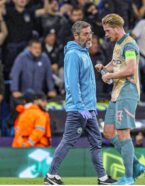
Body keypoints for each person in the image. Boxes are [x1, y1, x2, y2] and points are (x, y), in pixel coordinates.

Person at [44, 21, 116, 185]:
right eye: (85, 34)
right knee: (68, 141)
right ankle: (50, 175)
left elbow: (86, 83)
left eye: (90, 33)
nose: (89, 36)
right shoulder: (73, 55)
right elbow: (71, 83)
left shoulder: (84, 53)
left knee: (96, 143)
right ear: (76, 36)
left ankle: (103, 178)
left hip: (89, 108)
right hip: (79, 108)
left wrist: (90, 107)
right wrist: (80, 106)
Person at [95, 13, 145, 185]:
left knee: (123, 133)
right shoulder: (119, 44)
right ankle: (136, 165)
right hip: (117, 93)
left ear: (116, 28)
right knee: (108, 132)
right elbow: (116, 63)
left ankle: (129, 177)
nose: (106, 34)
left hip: (127, 92)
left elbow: (130, 69)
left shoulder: (129, 45)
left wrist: (110, 75)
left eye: (108, 31)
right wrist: (104, 67)